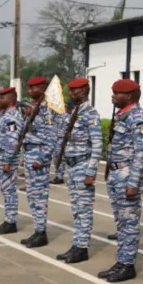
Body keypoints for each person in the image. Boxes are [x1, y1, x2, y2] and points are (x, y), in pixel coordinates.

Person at [98, 79, 143, 283]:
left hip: (127, 175)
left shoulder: (137, 117)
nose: (112, 97)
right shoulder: (122, 115)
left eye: (116, 93)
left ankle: (128, 265)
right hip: (116, 174)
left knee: (129, 222)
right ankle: (122, 261)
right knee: (121, 221)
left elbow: (140, 152)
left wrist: (133, 183)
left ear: (128, 96)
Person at [55, 78, 103, 264]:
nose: (70, 94)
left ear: (84, 91)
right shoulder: (75, 112)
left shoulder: (90, 114)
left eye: (74, 91)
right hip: (73, 166)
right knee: (76, 209)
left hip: (83, 166)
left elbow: (97, 145)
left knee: (83, 209)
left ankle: (82, 248)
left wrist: (90, 172)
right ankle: (77, 244)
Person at [19, 76, 58, 249]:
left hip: (38, 158)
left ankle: (41, 233)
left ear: (42, 88)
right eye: (29, 88)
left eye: (33, 88)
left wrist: (41, 159)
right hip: (30, 154)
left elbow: (52, 137)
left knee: (39, 196)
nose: (29, 91)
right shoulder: (36, 108)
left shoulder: (48, 109)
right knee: (32, 196)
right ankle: (37, 230)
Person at [0, 87, 24, 235]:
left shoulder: (12, 117)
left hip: (5, 157)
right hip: (0, 156)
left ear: (11, 99)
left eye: (2, 98)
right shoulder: (3, 115)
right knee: (5, 190)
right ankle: (8, 220)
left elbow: (12, 140)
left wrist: (7, 161)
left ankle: (10, 222)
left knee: (9, 190)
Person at [51, 105, 70, 185]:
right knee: (55, 158)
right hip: (55, 139)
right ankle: (58, 175)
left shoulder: (67, 117)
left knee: (61, 158)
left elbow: (69, 128)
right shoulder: (55, 116)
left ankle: (60, 177)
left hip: (62, 139)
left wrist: (65, 140)